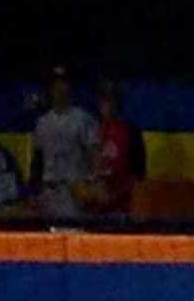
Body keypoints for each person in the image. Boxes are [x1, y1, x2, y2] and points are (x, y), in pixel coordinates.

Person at [25, 67, 100, 221]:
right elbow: (37, 160)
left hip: (73, 191)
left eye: (63, 83)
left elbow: (94, 155)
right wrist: (33, 192)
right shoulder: (42, 122)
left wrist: (92, 185)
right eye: (56, 85)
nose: (60, 88)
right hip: (48, 191)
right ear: (50, 89)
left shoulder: (83, 119)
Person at [90, 80, 147, 215]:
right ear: (98, 103)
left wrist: (113, 195)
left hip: (122, 210)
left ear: (118, 103)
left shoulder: (131, 132)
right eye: (105, 100)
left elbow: (138, 174)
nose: (109, 105)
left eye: (113, 99)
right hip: (89, 212)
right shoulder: (88, 131)